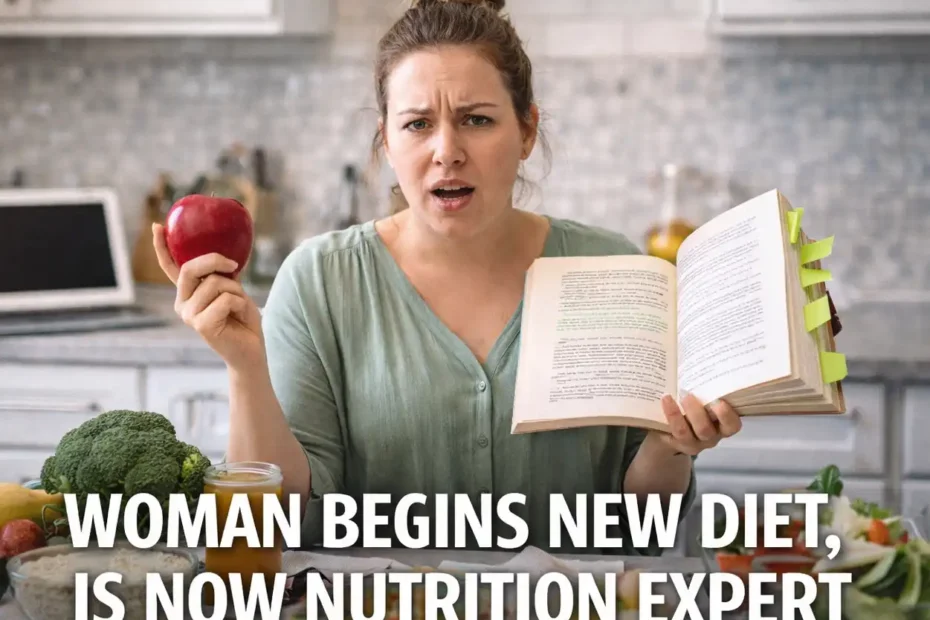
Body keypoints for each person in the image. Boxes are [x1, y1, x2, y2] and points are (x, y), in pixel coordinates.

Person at [152, 0, 743, 554]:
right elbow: (272, 528)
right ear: (385, 139)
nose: (447, 151)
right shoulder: (319, 282)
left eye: (477, 119)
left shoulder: (612, 269)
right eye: (416, 125)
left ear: (527, 131)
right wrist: (244, 367)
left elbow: (644, 525)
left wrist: (671, 444)